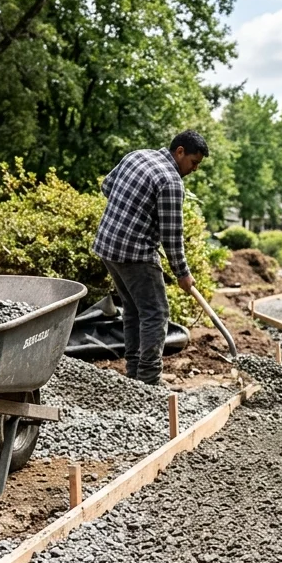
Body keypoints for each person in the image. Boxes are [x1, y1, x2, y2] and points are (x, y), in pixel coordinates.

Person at [93, 130, 207, 386]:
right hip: (135, 254)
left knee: (133, 310)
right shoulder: (171, 181)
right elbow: (171, 235)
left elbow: (106, 186)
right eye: (193, 162)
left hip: (108, 246)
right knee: (156, 313)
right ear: (180, 152)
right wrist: (183, 273)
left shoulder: (137, 156)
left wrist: (131, 212)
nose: (195, 169)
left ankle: (134, 374)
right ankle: (149, 379)